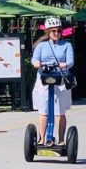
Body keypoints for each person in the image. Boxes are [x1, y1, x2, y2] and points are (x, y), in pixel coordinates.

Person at [31, 17, 74, 145]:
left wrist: (64, 65)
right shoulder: (41, 45)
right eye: (53, 31)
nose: (56, 33)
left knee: (60, 112)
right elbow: (34, 60)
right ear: (48, 31)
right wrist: (37, 63)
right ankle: (42, 138)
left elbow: (71, 61)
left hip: (60, 79)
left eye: (59, 31)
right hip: (44, 79)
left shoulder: (66, 45)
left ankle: (61, 139)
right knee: (43, 111)